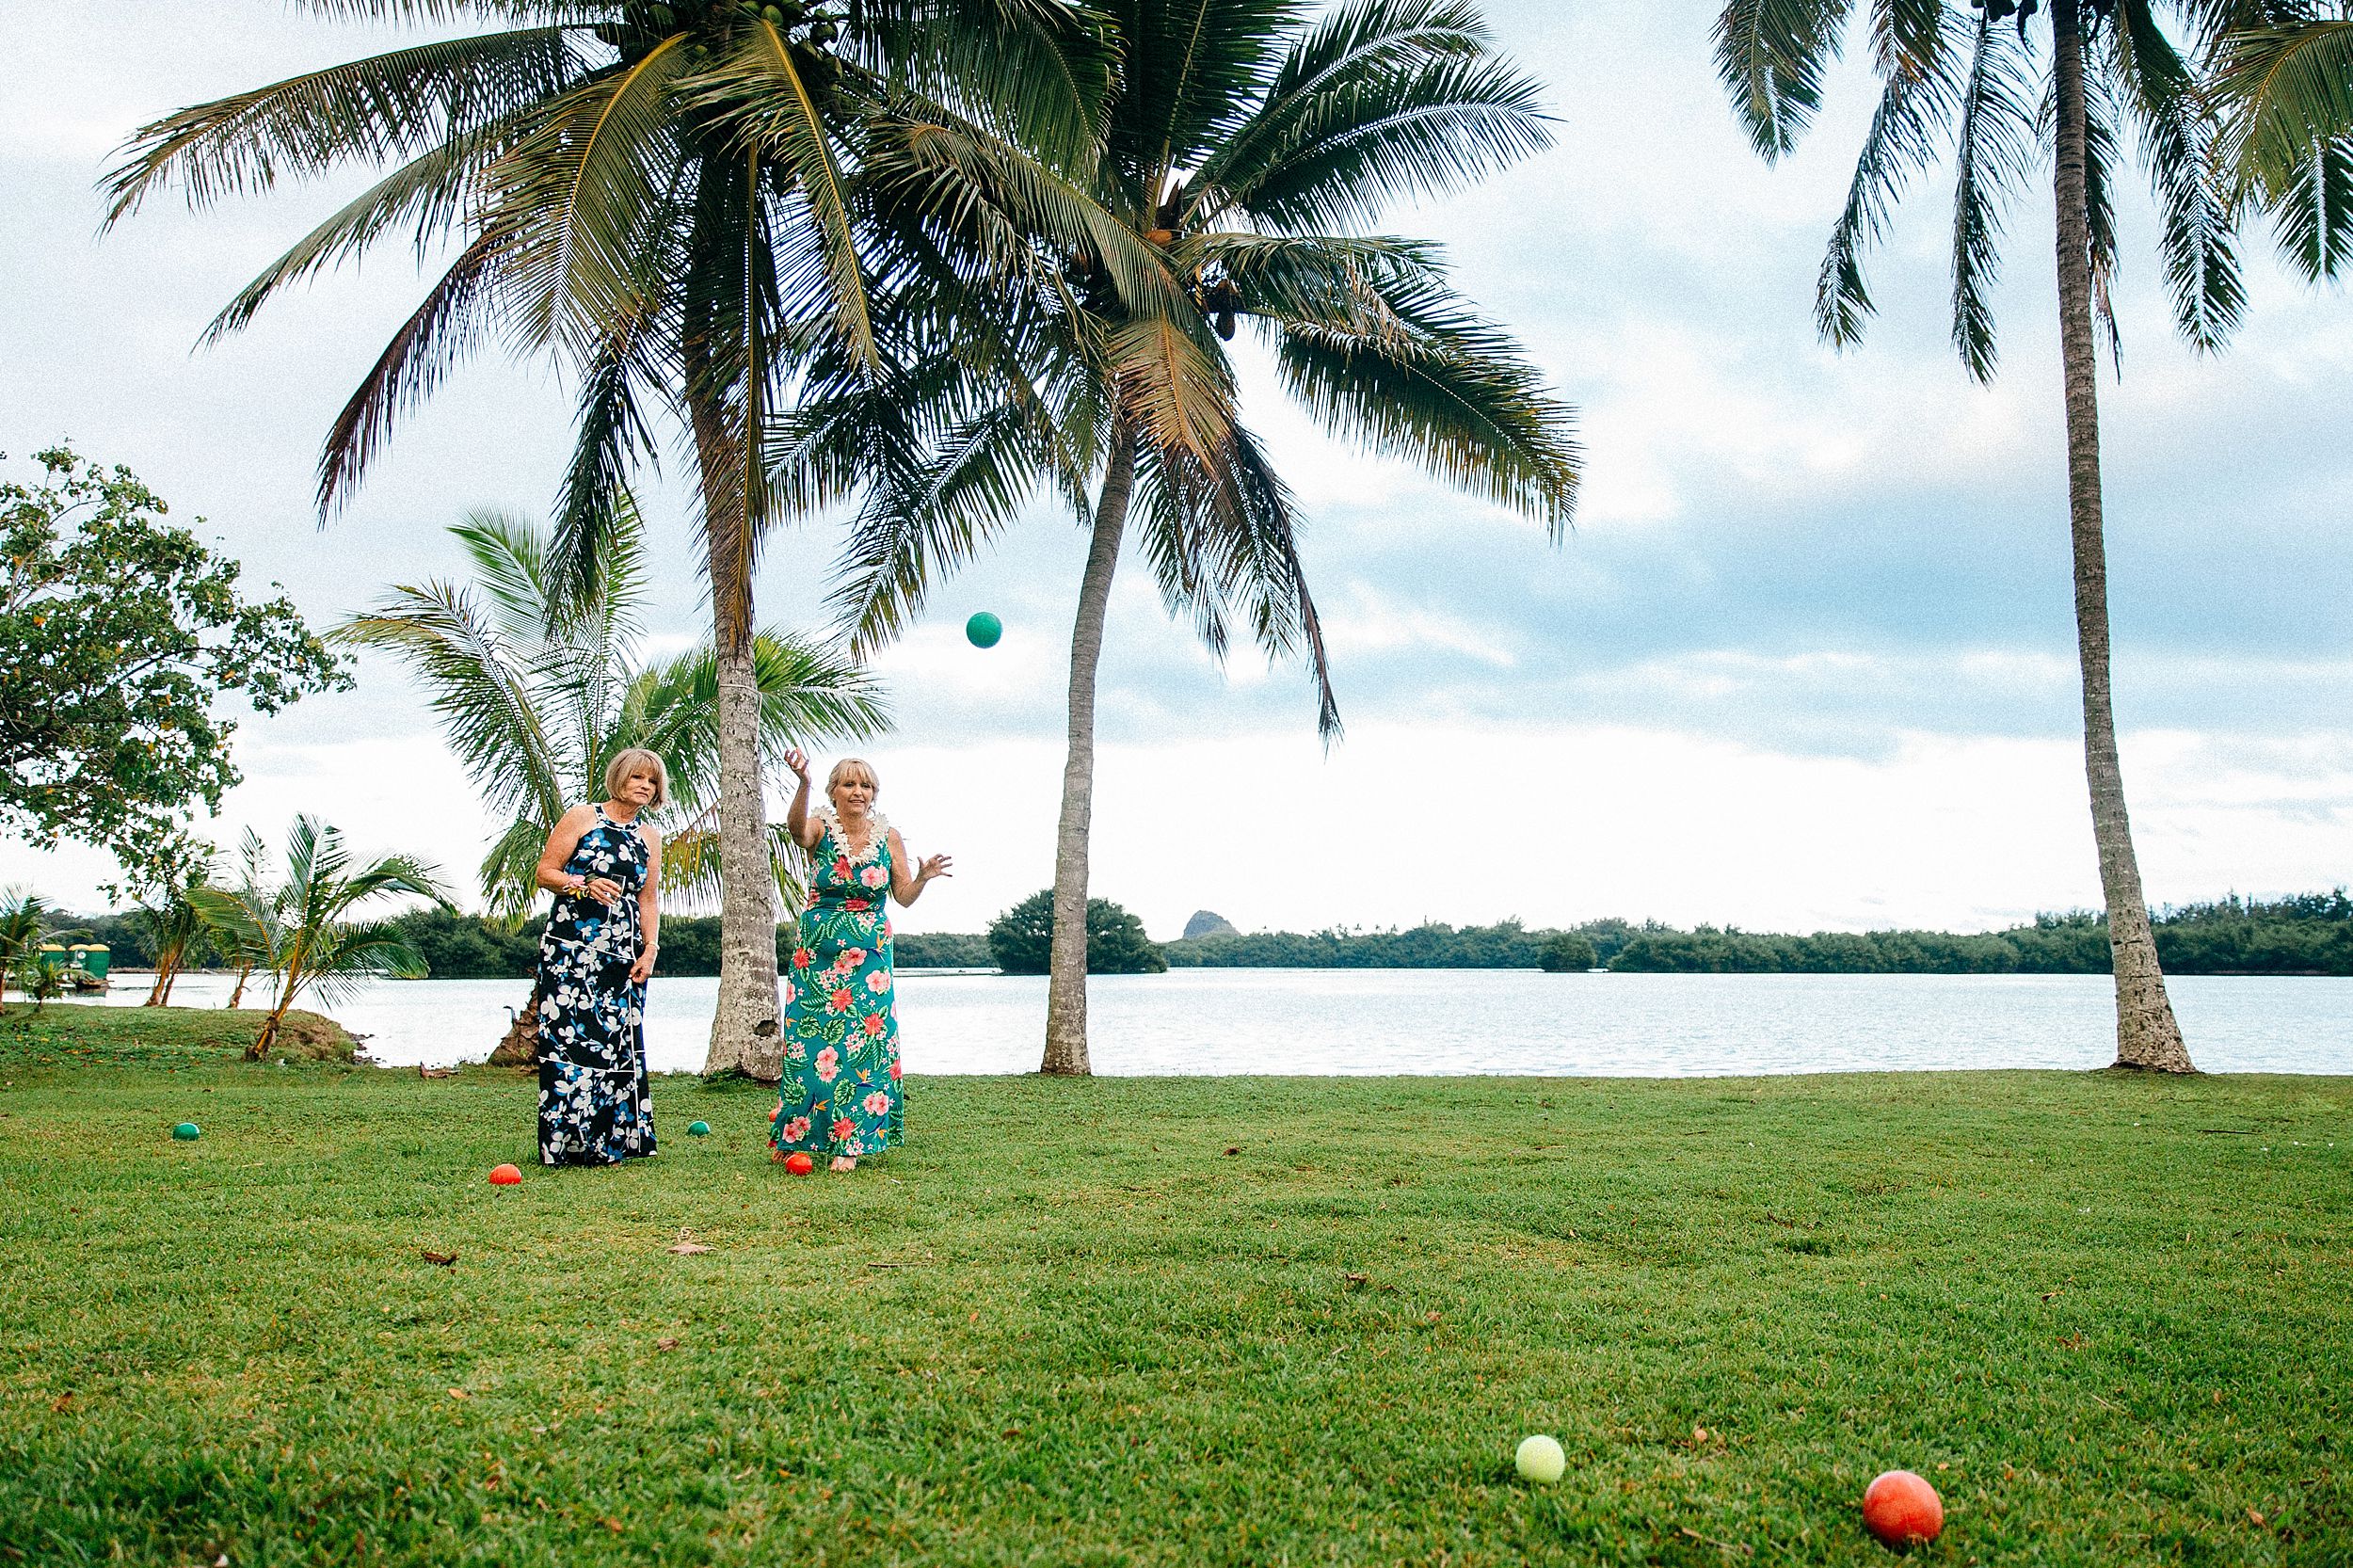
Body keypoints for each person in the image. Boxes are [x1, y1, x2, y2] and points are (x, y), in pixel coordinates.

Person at [772, 751, 951, 1171]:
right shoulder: (820, 825)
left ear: (874, 793)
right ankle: (797, 1132)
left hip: (869, 953)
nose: (858, 792)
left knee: (864, 1043)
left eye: (865, 785)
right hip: (817, 949)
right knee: (808, 1042)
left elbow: (902, 897)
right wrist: (803, 783)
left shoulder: (888, 836)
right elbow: (795, 831)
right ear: (834, 791)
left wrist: (923, 878)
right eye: (849, 784)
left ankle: (850, 1142)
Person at [531, 748, 665, 1166]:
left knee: (616, 1041)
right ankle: (567, 1143)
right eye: (638, 778)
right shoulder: (582, 817)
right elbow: (544, 871)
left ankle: (615, 1141)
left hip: (622, 950)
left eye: (653, 781)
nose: (645, 786)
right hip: (571, 946)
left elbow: (648, 898)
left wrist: (651, 948)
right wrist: (582, 883)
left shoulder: (649, 837)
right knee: (568, 1041)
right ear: (619, 778)